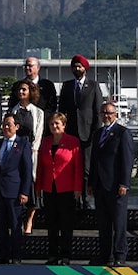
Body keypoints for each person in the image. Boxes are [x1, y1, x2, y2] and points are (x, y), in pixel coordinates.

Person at [37, 111, 84, 265]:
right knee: (51, 223)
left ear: (64, 125)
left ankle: (65, 254)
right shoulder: (45, 141)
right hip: (49, 188)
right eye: (51, 124)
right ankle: (52, 254)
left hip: (67, 188)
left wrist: (78, 188)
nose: (54, 126)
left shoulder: (73, 141)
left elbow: (78, 167)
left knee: (65, 223)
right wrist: (38, 186)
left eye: (57, 123)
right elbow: (41, 166)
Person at [90, 102, 134, 266]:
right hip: (100, 186)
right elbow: (94, 160)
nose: (106, 116)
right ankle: (105, 255)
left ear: (116, 114)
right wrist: (91, 182)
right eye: (103, 113)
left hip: (116, 187)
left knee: (119, 223)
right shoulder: (98, 134)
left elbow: (127, 161)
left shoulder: (123, 133)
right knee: (103, 224)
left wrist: (124, 183)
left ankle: (120, 256)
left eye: (109, 113)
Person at [0, 114, 34, 264]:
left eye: (9, 124)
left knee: (15, 225)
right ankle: (2, 255)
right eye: (4, 124)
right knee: (1, 225)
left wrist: (25, 191)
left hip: (15, 192)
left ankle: (16, 256)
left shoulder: (23, 144)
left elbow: (27, 170)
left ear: (17, 126)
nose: (6, 127)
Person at [59, 54, 105, 189]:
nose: (77, 69)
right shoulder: (67, 86)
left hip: (87, 133)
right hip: (71, 132)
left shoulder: (93, 85)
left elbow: (98, 111)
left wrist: (95, 133)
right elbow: (62, 111)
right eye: (74, 66)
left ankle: (86, 197)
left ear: (85, 68)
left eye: (79, 66)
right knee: (70, 165)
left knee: (86, 167)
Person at [7, 78, 45, 234]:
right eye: (20, 90)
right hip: (16, 151)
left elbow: (39, 133)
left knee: (31, 185)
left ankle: (29, 219)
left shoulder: (38, 112)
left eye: (24, 90)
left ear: (31, 92)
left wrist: (33, 150)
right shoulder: (13, 111)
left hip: (31, 151)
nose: (21, 92)